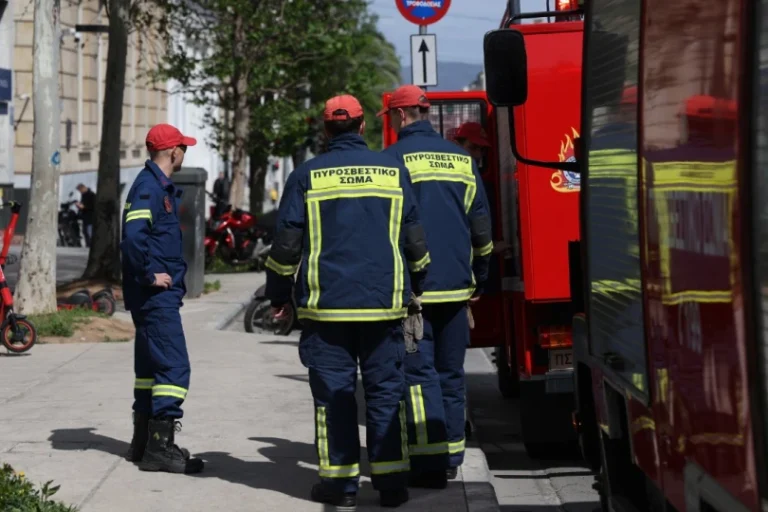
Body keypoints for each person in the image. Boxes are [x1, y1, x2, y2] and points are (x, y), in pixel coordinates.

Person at [265, 94, 431, 509]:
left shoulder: (307, 175)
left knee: (334, 399)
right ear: (362, 127)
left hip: (327, 310)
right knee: (385, 395)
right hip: (383, 306)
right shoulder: (393, 171)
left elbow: (286, 244)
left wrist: (278, 296)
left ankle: (339, 487)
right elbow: (414, 238)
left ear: (326, 131)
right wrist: (418, 283)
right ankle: (391, 486)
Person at [381, 86, 493, 485]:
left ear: (399, 117)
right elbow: (481, 225)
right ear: (426, 113)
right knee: (451, 374)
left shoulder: (390, 161)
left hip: (414, 294)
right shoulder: (462, 160)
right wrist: (480, 276)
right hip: (457, 289)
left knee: (418, 375)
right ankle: (453, 455)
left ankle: (429, 463)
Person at [121, 123, 204, 475]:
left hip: (153, 296)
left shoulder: (156, 186)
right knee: (173, 366)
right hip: (155, 296)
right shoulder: (149, 188)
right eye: (183, 147)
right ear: (172, 152)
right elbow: (132, 237)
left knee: (150, 369)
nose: (185, 153)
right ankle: (160, 448)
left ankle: (143, 443)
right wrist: (148, 275)